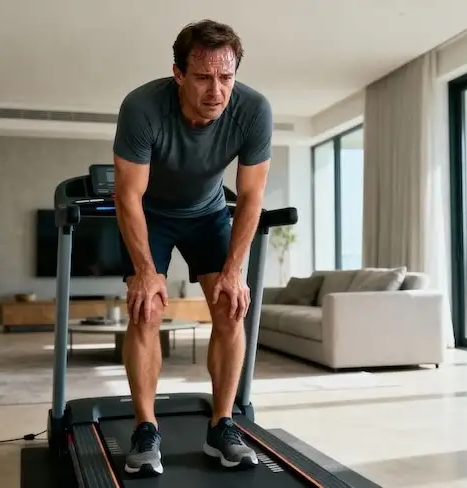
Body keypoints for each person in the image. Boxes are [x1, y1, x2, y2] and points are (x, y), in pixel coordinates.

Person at [112, 19, 272, 476]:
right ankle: (146, 428)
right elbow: (128, 196)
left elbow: (253, 195)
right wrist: (145, 271)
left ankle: (223, 425)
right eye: (203, 77)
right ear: (179, 74)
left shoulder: (254, 110)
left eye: (226, 77)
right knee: (146, 308)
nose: (216, 90)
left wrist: (234, 270)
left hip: (208, 214)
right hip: (151, 214)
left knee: (230, 307)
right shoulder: (142, 108)